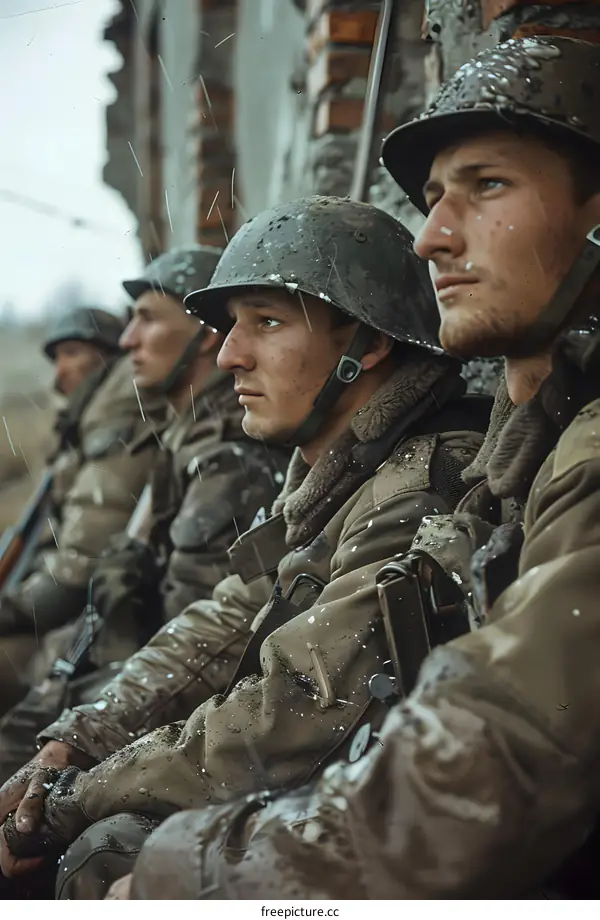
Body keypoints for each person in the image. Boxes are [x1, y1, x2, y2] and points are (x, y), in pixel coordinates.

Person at [118, 35, 600, 900]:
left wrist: (168, 867)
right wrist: (76, 750)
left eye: (487, 186)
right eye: (433, 200)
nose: (434, 238)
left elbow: (485, 756)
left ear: (367, 347)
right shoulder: (506, 453)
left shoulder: (441, 473)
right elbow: (227, 624)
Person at [0, 195, 491, 898]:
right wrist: (81, 736)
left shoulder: (414, 491)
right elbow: (223, 620)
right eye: (233, 328)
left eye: (265, 322)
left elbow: (289, 712)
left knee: (107, 853)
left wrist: (75, 795)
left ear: (370, 345)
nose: (229, 355)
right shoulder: (332, 472)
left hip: (403, 842)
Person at [0, 246, 289, 784]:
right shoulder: (180, 435)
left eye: (149, 318)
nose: (127, 340)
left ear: (205, 334)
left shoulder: (224, 458)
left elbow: (198, 642)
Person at [0, 308, 167, 715]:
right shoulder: (79, 427)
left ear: (111, 355)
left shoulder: (119, 419)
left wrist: (12, 608)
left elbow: (80, 562)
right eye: (56, 357)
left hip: (102, 615)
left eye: (74, 351)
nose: (62, 370)